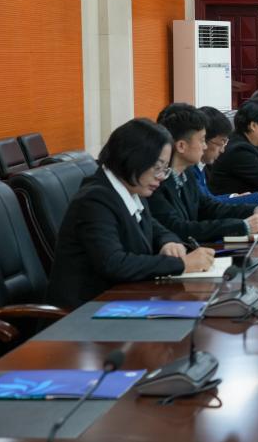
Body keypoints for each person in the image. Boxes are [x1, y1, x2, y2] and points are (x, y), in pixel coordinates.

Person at [47, 119, 215, 309]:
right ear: (134, 159)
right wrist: (182, 264)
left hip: (120, 300)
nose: (161, 177)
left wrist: (168, 242)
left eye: (165, 169)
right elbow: (114, 263)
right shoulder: (94, 200)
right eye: (157, 168)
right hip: (85, 312)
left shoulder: (131, 188)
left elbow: (153, 226)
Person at [149, 104, 258, 243]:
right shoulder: (157, 182)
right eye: (202, 140)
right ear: (181, 146)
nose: (205, 146)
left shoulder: (186, 174)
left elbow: (209, 207)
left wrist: (255, 210)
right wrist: (243, 226)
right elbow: (179, 228)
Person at [195, 106, 258, 210]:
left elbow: (209, 200)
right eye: (221, 142)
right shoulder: (238, 149)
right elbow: (206, 207)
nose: (222, 150)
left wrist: (233, 197)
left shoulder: (198, 167)